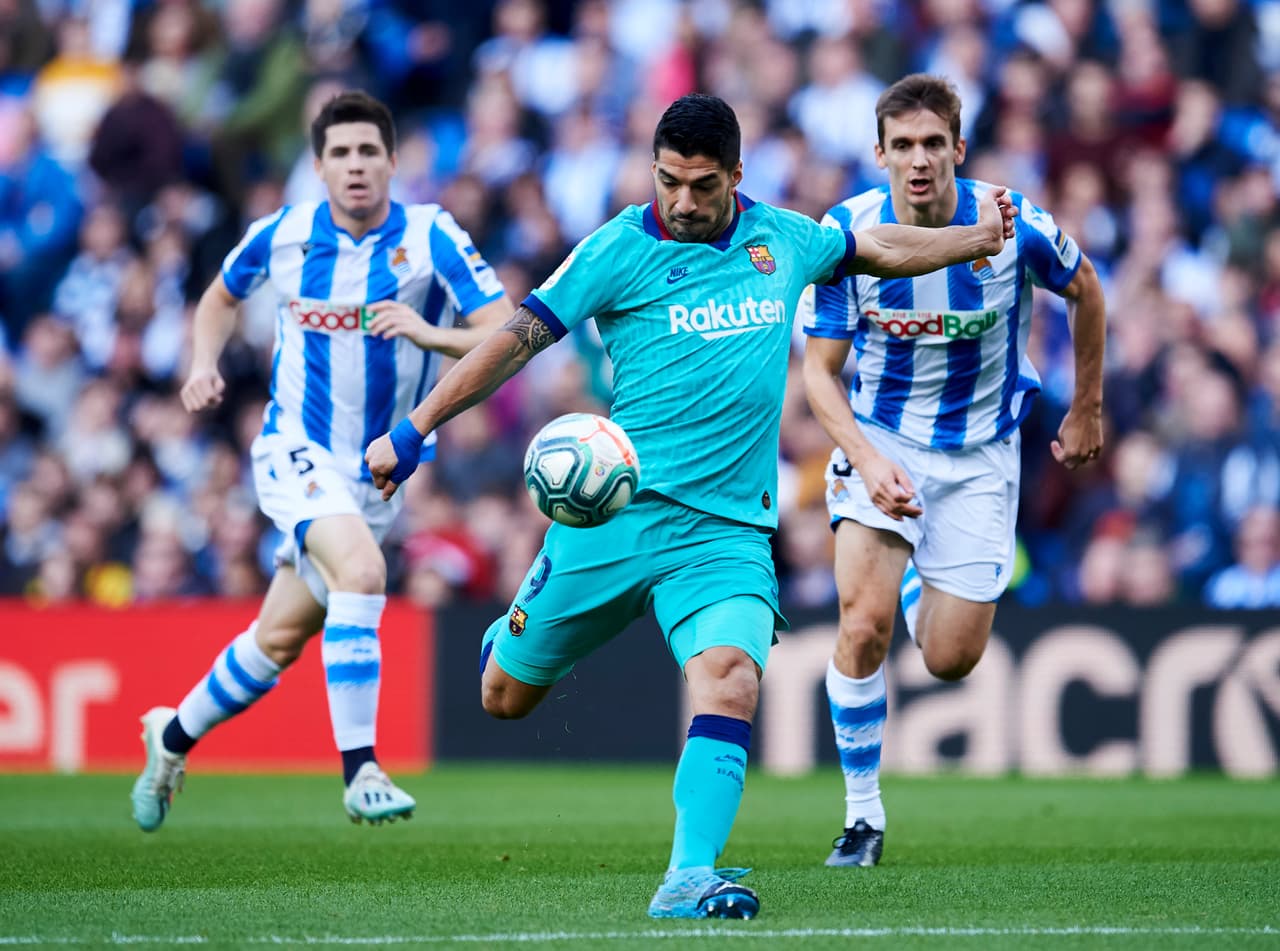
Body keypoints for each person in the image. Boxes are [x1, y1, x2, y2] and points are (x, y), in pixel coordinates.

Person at [365, 93, 1015, 918]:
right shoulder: (616, 249)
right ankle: (516, 635)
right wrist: (417, 427)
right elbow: (514, 340)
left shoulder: (780, 238)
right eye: (668, 180)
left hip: (724, 535)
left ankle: (688, 876)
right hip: (613, 517)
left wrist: (972, 238)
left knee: (732, 677)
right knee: (503, 695)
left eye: (701, 185)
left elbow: (875, 245)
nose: (681, 201)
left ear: (736, 177)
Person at [129, 90, 513, 831]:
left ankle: (170, 735)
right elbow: (216, 298)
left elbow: (506, 332)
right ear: (319, 166)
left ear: (394, 162)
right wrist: (202, 362)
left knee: (276, 640)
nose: (356, 165)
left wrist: (431, 337)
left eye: (370, 151)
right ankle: (361, 768)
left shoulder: (432, 238)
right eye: (341, 153)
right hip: (293, 449)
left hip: (377, 474)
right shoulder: (284, 234)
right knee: (363, 573)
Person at [801, 73, 1106, 868]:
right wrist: (865, 459)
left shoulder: (1014, 222)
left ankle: (914, 574)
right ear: (880, 154)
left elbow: (1086, 288)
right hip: (882, 438)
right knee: (860, 625)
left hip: (980, 455)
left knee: (950, 658)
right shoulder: (848, 234)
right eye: (902, 145)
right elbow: (819, 374)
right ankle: (861, 818)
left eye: (934, 143)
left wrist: (1087, 407)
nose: (919, 159)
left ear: (958, 150)